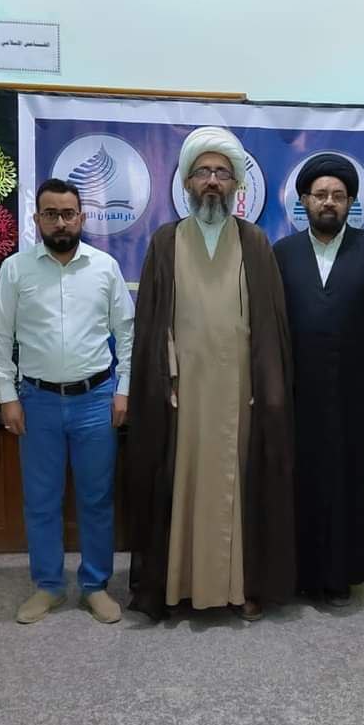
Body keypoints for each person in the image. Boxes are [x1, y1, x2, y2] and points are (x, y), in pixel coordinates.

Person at [127, 126, 295, 621]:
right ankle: (178, 586)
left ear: (236, 184)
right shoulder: (165, 241)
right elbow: (152, 322)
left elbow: (270, 325)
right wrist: (165, 376)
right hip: (183, 389)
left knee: (239, 482)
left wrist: (265, 384)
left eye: (222, 172)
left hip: (241, 390)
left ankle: (243, 585)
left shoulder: (255, 241)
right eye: (203, 171)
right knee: (184, 480)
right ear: (186, 182)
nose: (213, 181)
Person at [0, 177, 134, 625]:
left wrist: (124, 389)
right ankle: (48, 585)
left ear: (82, 217)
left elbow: (127, 333)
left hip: (96, 400)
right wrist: (6, 396)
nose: (61, 222)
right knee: (41, 500)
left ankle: (95, 586)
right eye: (51, 214)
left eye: (68, 213)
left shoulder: (105, 267)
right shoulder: (16, 269)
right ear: (37, 219)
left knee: (96, 498)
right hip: (38, 402)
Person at [272, 153, 364, 605]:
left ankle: (341, 573)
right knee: (300, 481)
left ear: (350, 203)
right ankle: (299, 572)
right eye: (321, 194)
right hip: (297, 393)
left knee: (348, 482)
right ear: (305, 200)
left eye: (339, 196)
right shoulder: (282, 253)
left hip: (353, 393)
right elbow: (270, 327)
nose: (329, 202)